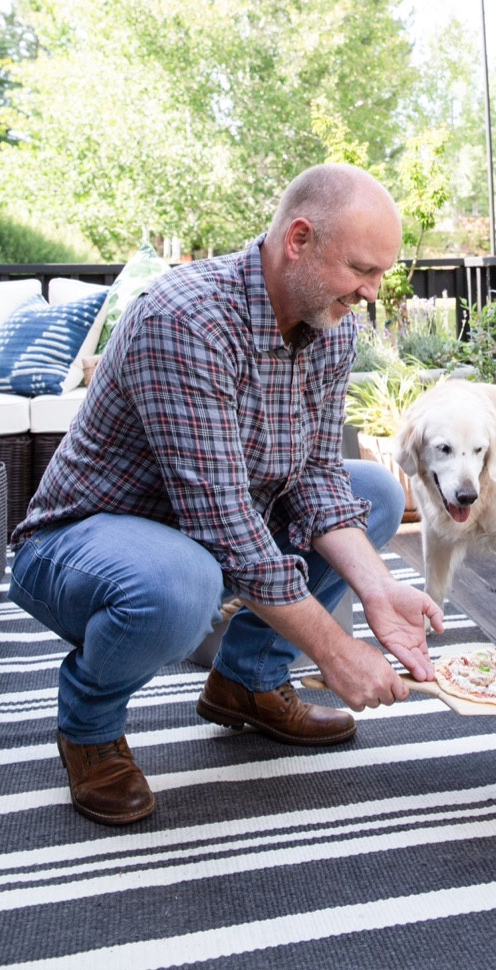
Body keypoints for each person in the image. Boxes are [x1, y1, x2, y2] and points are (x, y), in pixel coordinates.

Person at [10, 163, 444, 827]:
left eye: (380, 274)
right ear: (299, 239)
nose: (372, 292)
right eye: (362, 269)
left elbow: (319, 477)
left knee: (375, 491)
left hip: (210, 530)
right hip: (81, 544)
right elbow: (226, 526)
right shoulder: (185, 319)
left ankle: (248, 682)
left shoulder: (330, 326)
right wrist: (334, 650)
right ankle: (89, 728)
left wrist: (378, 591)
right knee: (184, 580)